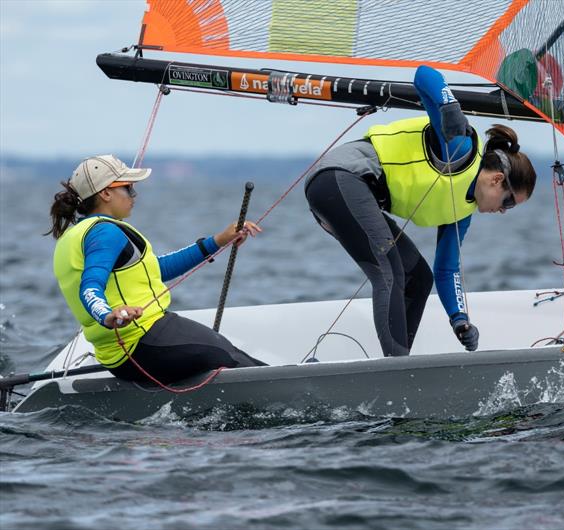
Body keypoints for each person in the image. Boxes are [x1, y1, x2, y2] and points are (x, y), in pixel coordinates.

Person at [305, 66, 537, 357]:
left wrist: (459, 320)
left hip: (351, 194)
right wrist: (449, 105)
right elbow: (425, 75)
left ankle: (399, 367)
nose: (504, 212)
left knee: (418, 277)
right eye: (509, 202)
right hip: (338, 180)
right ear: (497, 180)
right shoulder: (460, 147)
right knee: (389, 271)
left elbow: (447, 269)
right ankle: (397, 371)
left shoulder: (462, 213)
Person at [48, 154, 265, 384]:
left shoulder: (72, 237)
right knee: (228, 355)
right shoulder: (105, 233)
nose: (134, 194)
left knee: (227, 355)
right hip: (143, 340)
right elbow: (90, 287)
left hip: (120, 358)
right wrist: (108, 315)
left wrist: (218, 240)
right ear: (106, 193)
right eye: (128, 188)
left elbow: (156, 270)